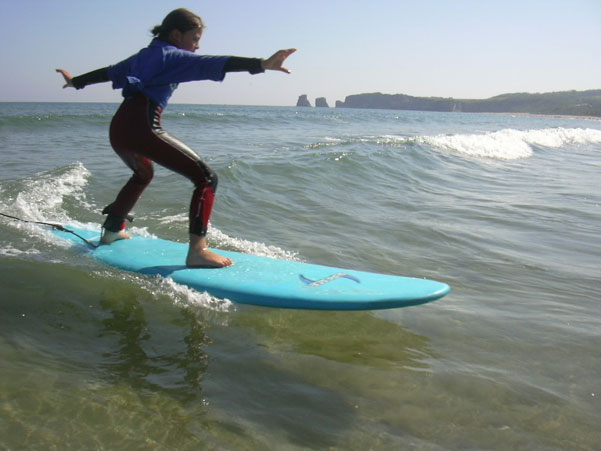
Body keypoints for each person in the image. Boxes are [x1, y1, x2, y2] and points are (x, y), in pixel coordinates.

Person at [56, 8, 295, 268]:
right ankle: (197, 251)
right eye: (194, 38)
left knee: (143, 174)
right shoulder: (171, 56)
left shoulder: (143, 56)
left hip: (120, 128)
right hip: (142, 126)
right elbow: (213, 63)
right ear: (176, 34)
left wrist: (76, 82)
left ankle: (112, 231)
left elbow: (109, 72)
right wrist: (261, 65)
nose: (196, 46)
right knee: (206, 178)